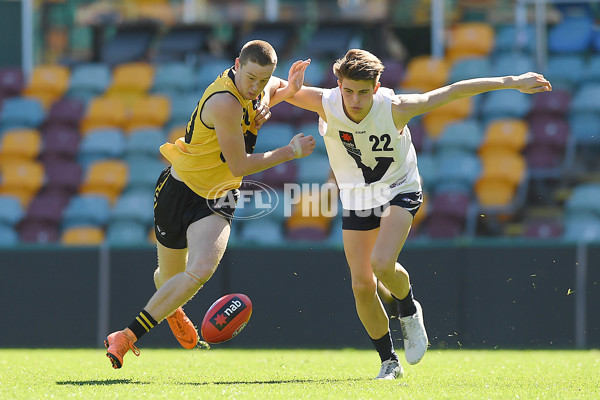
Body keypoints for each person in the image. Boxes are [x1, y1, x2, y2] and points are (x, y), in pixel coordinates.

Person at [270, 49, 551, 379]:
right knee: (362, 284)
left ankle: (408, 309)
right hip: (358, 197)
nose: (355, 100)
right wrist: (262, 97)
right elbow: (269, 84)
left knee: (380, 264)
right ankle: (389, 362)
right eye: (348, 91)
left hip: (399, 189)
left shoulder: (396, 108)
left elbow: (453, 91)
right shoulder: (326, 102)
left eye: (363, 92)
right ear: (338, 84)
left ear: (376, 88)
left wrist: (512, 81)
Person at [104, 40, 315, 369]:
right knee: (169, 277)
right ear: (236, 65)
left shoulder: (255, 85)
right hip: (179, 189)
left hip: (219, 195)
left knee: (199, 269)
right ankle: (170, 309)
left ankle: (126, 336)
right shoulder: (224, 102)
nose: (256, 86)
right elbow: (240, 166)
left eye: (263, 79)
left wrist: (287, 89)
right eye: (251, 78)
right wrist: (291, 152)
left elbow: (270, 87)